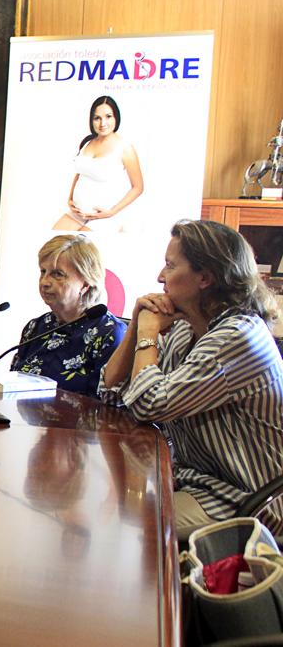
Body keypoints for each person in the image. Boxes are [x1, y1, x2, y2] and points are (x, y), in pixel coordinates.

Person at [101, 220, 283, 538]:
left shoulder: (238, 336)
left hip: (249, 502)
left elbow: (148, 404)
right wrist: (135, 327)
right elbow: (113, 394)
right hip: (200, 485)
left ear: (205, 277)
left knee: (129, 524)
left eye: (170, 266)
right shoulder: (188, 329)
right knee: (117, 507)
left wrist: (147, 332)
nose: (160, 277)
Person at [10, 235, 125, 397]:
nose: (44, 281)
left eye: (57, 274)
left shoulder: (109, 334)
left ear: (85, 283)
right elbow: (13, 386)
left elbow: (107, 405)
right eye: (43, 271)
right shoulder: (35, 327)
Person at [53, 96, 144, 232]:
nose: (103, 123)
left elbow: (138, 187)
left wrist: (111, 212)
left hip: (104, 216)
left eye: (108, 116)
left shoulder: (125, 148)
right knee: (54, 243)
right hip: (79, 212)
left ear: (116, 118)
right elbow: (80, 173)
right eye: (97, 118)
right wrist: (70, 198)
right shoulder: (88, 142)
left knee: (80, 247)